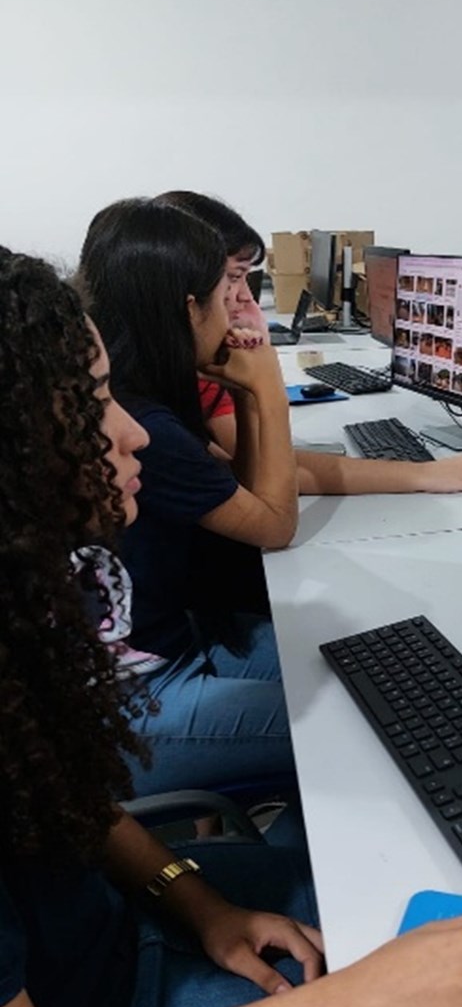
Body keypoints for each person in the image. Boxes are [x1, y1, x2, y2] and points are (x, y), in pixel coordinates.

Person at [0, 246, 462, 1007]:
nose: (131, 428)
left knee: (438, 899)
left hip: (125, 931)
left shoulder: (24, 609)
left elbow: (66, 803)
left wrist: (196, 900)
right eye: (90, 404)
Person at [79, 198, 297, 795]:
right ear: (188, 308)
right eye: (225, 290)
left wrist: (249, 397)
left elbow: (245, 489)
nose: (238, 305)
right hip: (142, 693)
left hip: (175, 642)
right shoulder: (144, 422)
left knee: (353, 668)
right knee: (349, 724)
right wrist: (268, 389)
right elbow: (275, 524)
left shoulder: (138, 389)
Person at [159, 191, 462, 495]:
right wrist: (423, 475)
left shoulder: (172, 363)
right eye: (235, 277)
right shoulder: (191, 371)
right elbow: (264, 477)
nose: (243, 297)